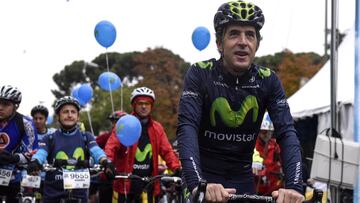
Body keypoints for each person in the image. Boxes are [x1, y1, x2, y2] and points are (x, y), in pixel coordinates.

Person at [176, 1, 304, 202]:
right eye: (234, 33)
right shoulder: (200, 73)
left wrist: (295, 187)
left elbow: (287, 133)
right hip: (202, 174)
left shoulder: (268, 80)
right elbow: (187, 127)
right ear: (219, 43)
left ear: (257, 44)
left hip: (242, 177)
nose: (243, 41)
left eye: (250, 35)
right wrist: (197, 184)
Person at [27, 96, 115, 203]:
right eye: (65, 112)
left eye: (73, 112)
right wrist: (35, 161)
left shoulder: (86, 136)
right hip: (53, 194)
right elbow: (41, 153)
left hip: (79, 194)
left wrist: (106, 162)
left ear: (78, 117)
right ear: (58, 116)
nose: (69, 115)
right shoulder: (49, 138)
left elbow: (96, 151)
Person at [105, 87, 181, 203]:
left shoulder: (157, 128)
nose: (144, 106)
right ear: (134, 105)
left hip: (148, 184)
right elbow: (111, 146)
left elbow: (167, 151)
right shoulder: (124, 124)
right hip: (125, 184)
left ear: (151, 106)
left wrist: (177, 167)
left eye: (147, 103)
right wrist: (107, 163)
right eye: (140, 103)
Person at [0, 85, 38, 203]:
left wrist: (14, 157)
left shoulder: (26, 123)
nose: (0, 107)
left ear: (16, 106)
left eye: (5, 104)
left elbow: (33, 152)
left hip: (14, 174)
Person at [96, 110, 127, 203]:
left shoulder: (132, 137)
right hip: (107, 177)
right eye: (112, 121)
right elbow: (93, 146)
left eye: (116, 121)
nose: (114, 124)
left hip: (125, 179)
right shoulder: (106, 137)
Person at [255, 113, 284, 195]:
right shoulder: (253, 145)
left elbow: (282, 161)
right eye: (264, 132)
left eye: (269, 132)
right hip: (257, 189)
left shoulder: (275, 145)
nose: (267, 135)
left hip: (274, 189)